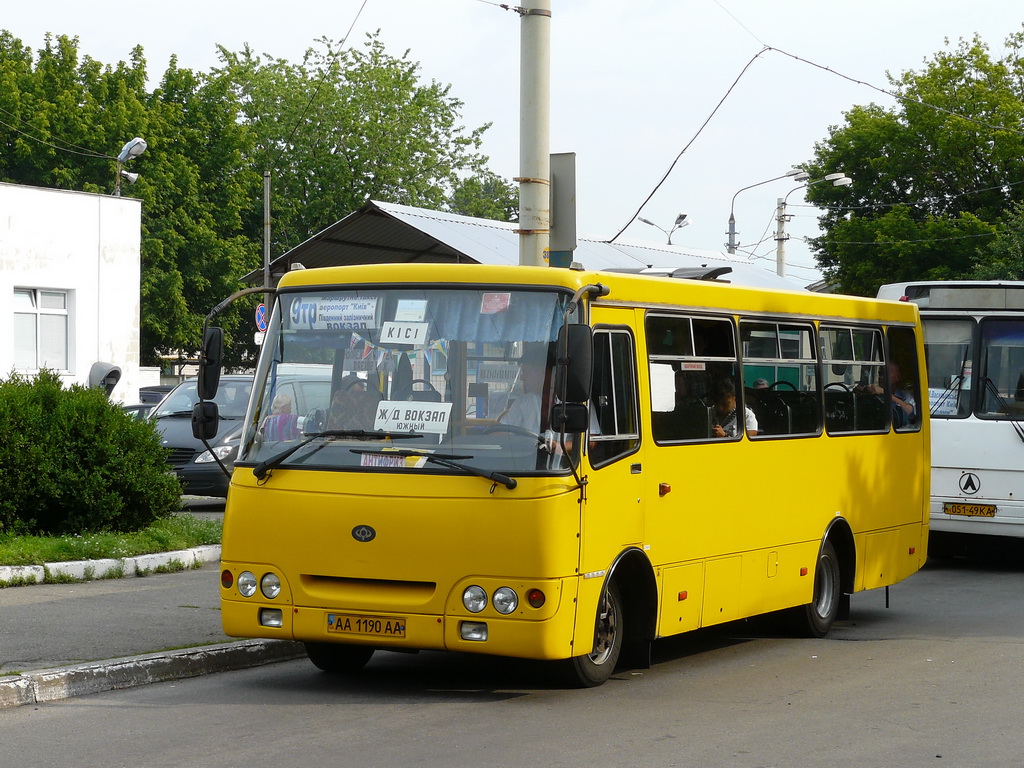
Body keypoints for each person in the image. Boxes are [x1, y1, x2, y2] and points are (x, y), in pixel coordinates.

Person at [501, 344, 549, 434]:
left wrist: (559, 446)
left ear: (542, 371)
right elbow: (503, 430)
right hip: (529, 448)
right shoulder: (522, 403)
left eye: (525, 372)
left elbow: (579, 441)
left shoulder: (570, 403)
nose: (522, 378)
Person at [858, 361, 917, 426]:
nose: (881, 377)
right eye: (880, 374)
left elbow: (909, 410)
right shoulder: (876, 392)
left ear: (898, 377)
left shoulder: (904, 394)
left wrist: (884, 393)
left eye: (886, 374)